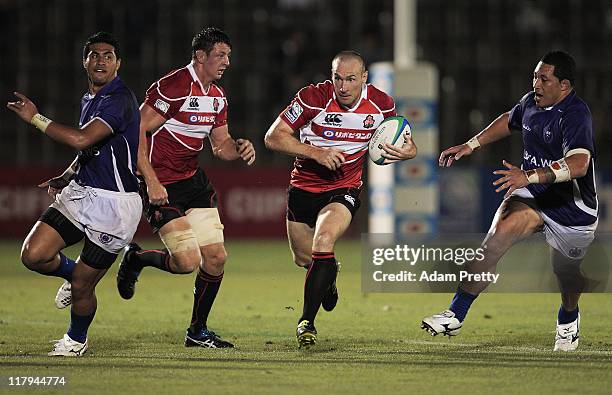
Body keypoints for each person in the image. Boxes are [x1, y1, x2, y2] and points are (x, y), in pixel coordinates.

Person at [421, 50, 598, 352]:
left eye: (545, 79)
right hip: (533, 194)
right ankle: (455, 313)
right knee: (495, 241)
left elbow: (579, 164)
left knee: (566, 277)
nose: (536, 84)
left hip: (572, 207)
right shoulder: (531, 102)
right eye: (535, 76)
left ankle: (569, 317)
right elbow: (509, 120)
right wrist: (470, 144)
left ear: (564, 86)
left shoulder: (575, 114)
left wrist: (527, 176)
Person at [111, 27, 255, 349]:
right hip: (160, 183)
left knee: (216, 257)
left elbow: (220, 145)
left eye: (229, 56)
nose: (227, 62)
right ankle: (136, 259)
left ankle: (197, 331)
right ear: (200, 56)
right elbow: (137, 131)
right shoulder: (174, 86)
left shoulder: (217, 97)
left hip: (192, 181)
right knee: (187, 262)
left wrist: (240, 147)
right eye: (221, 55)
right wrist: (151, 180)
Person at [264, 50, 417, 348]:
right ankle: (328, 273)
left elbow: (407, 142)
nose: (343, 86)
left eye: (350, 79)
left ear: (364, 78)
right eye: (337, 78)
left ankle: (306, 322)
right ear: (330, 76)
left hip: (344, 188)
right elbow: (273, 137)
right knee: (304, 258)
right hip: (303, 188)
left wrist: (408, 152)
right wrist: (317, 153)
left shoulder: (382, 104)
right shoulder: (312, 98)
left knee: (323, 242)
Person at [7, 31, 142, 357]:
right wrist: (67, 175)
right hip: (81, 193)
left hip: (115, 204)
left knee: (84, 287)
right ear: (84, 61)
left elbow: (82, 139)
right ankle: (73, 273)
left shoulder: (120, 99)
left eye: (108, 55)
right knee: (33, 254)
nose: (101, 61)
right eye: (94, 55)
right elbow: (90, 150)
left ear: (118, 64)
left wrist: (35, 118)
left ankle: (75, 340)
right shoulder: (89, 99)